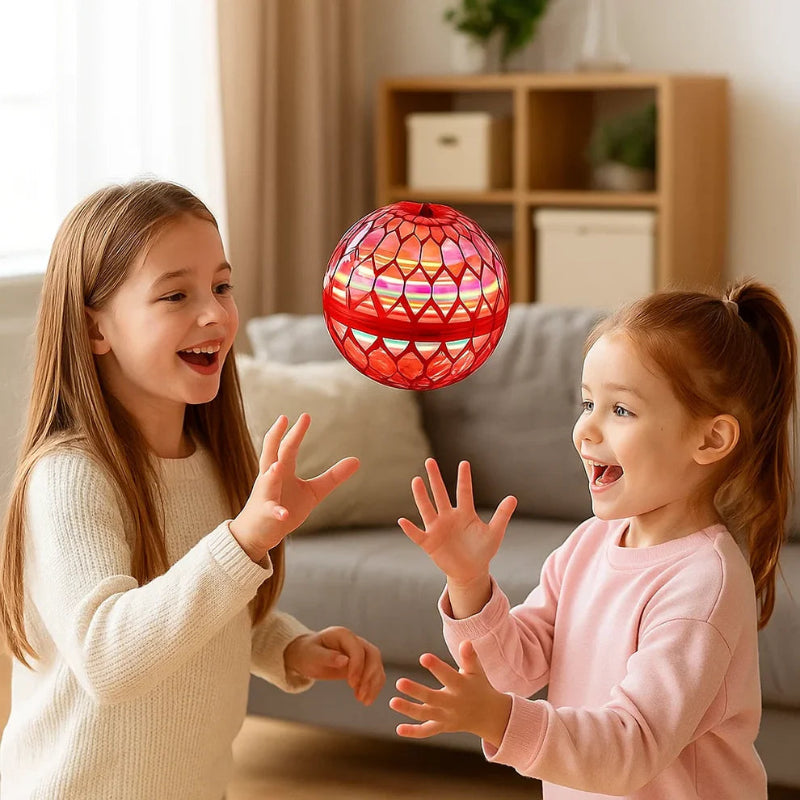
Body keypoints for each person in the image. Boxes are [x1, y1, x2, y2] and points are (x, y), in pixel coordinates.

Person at [0, 180, 385, 800]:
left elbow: (205, 613)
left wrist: (290, 648)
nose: (214, 313)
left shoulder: (212, 460)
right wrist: (243, 541)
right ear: (95, 327)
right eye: (176, 294)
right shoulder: (70, 477)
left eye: (222, 287)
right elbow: (109, 656)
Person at [390, 280, 796, 799]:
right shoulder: (589, 544)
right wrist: (470, 583)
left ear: (709, 439)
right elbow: (513, 670)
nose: (585, 430)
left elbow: (631, 750)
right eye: (587, 403)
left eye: (620, 410)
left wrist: (501, 720)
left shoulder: (703, 585)